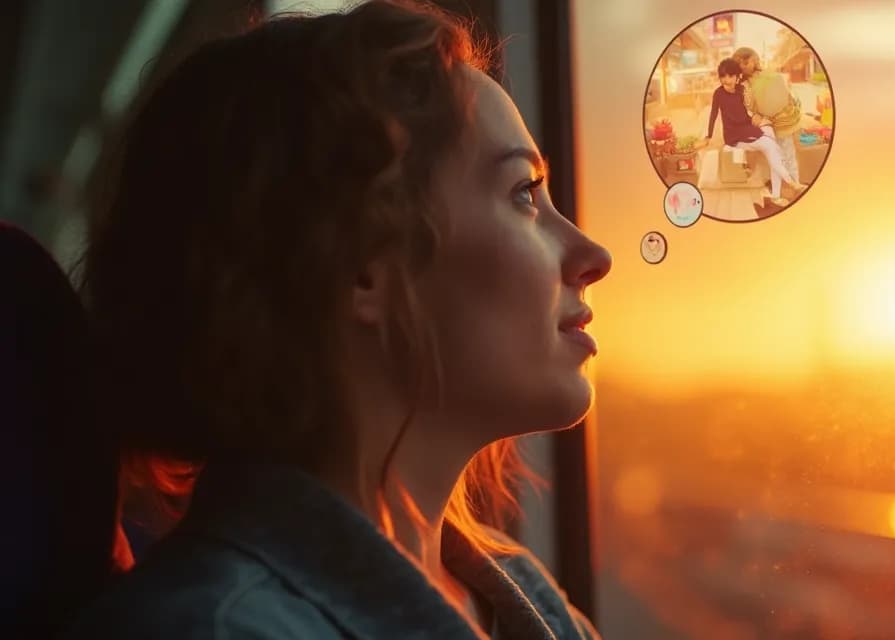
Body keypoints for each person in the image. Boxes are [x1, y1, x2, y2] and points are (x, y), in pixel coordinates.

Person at [62, 1, 610, 638]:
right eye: (523, 194)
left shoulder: (522, 596)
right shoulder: (211, 629)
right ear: (360, 268)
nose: (592, 256)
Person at [703, 58, 804, 207]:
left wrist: (761, 119)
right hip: (734, 135)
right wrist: (708, 136)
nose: (727, 80)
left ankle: (777, 195)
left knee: (773, 149)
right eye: (723, 76)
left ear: (736, 77)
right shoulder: (718, 94)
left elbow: (750, 110)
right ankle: (791, 183)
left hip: (747, 128)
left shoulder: (742, 90)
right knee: (771, 147)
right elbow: (713, 115)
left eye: (730, 76)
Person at [732, 47, 804, 191]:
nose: (750, 65)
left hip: (783, 121)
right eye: (743, 63)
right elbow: (746, 107)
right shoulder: (743, 85)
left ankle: (795, 185)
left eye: (752, 60)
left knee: (788, 154)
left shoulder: (769, 76)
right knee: (776, 158)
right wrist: (755, 115)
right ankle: (784, 188)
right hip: (765, 126)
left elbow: (781, 95)